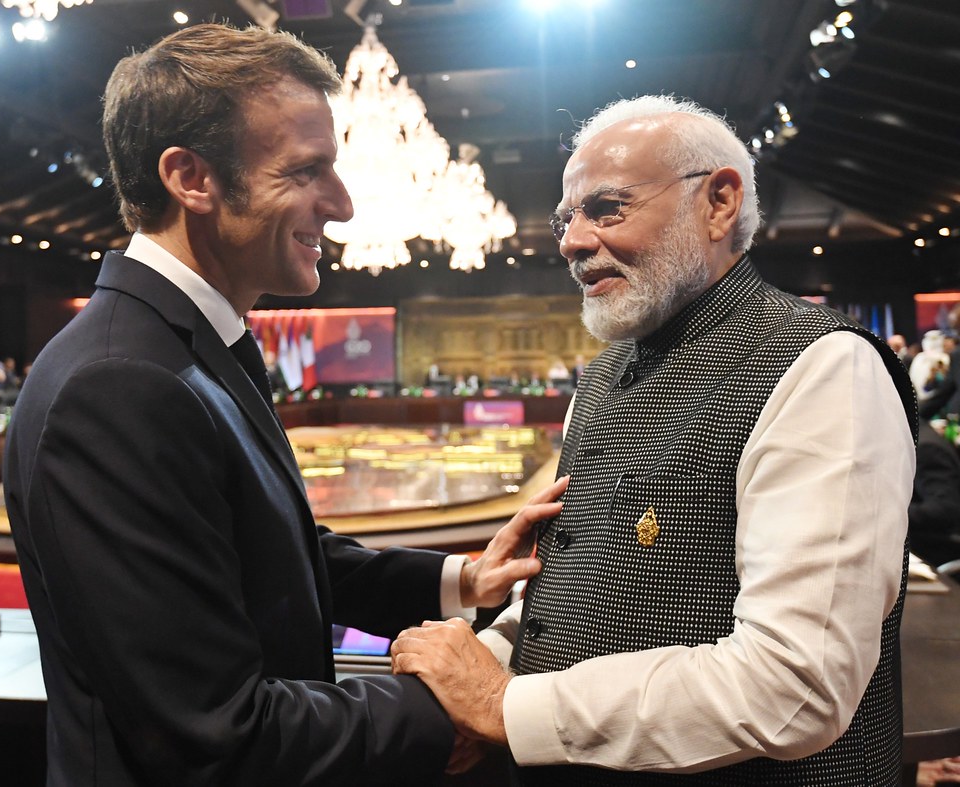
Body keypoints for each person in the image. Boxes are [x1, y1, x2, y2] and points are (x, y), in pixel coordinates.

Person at [3, 24, 564, 786]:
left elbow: (268, 553)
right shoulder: (116, 386)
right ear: (191, 178)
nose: (343, 204)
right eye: (307, 171)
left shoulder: (182, 345)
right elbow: (215, 733)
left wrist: (462, 579)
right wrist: (463, 705)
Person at [392, 94, 917, 784]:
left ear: (719, 203)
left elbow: (795, 684)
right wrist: (481, 666)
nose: (572, 241)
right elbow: (569, 594)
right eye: (566, 218)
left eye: (607, 207)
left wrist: (505, 706)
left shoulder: (822, 366)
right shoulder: (603, 372)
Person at [909, 416, 960, 567]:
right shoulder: (916, 432)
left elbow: (945, 509)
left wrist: (891, 513)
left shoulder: (926, 448)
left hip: (936, 548)